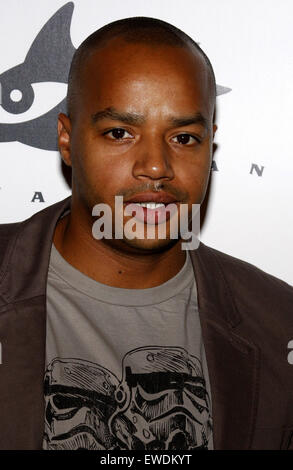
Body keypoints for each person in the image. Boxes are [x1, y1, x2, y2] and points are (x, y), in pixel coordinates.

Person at [0, 16, 292, 451]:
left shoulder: (278, 324)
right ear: (66, 139)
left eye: (184, 138)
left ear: (211, 143)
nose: (155, 166)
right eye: (120, 133)